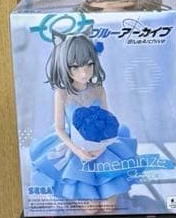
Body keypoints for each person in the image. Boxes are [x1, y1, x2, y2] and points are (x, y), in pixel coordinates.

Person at [29, 31, 140, 202]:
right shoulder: (62, 93)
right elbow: (59, 128)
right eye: (75, 67)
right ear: (65, 66)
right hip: (74, 148)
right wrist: (77, 150)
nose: (84, 73)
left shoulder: (98, 89)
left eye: (89, 64)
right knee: (91, 207)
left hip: (101, 147)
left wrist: (102, 147)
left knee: (109, 206)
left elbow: (107, 121)